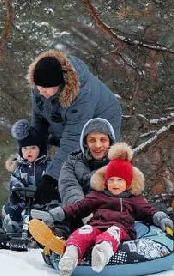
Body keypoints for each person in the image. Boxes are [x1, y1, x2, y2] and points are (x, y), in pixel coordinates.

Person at [28, 143, 174, 276]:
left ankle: (101, 254)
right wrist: (53, 215)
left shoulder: (134, 199)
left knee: (112, 233)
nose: (114, 184)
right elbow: (77, 208)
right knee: (82, 233)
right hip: (96, 226)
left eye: (119, 180)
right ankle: (70, 256)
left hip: (121, 229)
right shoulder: (98, 195)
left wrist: (162, 218)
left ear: (128, 183)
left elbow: (149, 211)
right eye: (111, 180)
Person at [27, 50, 122, 203]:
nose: (40, 92)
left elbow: (72, 140)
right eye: (38, 88)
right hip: (65, 121)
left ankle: (85, 206)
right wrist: (30, 151)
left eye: (44, 89)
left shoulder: (82, 95)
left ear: (58, 85)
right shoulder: (40, 88)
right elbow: (39, 123)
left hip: (101, 120)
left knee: (86, 166)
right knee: (42, 166)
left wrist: (51, 179)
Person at [2, 119, 49, 234]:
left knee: (48, 214)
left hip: (42, 204)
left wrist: (43, 191)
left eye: (33, 148)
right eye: (25, 148)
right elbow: (14, 183)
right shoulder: (19, 168)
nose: (29, 151)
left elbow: (52, 184)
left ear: (40, 149)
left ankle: (42, 234)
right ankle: (13, 232)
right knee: (9, 209)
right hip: (23, 203)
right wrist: (17, 191)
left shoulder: (47, 166)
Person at [58, 117, 116, 207]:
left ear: (110, 143)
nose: (98, 145)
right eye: (92, 140)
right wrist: (83, 210)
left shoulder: (120, 164)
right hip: (78, 215)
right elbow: (69, 188)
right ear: (85, 143)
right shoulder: (71, 164)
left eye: (103, 140)